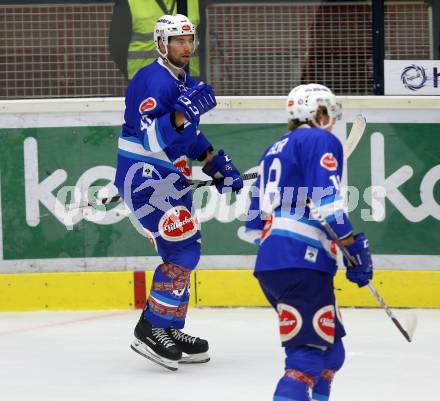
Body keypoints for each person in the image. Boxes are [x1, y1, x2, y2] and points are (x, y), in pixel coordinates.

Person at [114, 14, 243, 371]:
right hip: (145, 181)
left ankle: (169, 324)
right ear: (161, 44)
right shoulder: (151, 81)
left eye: (189, 40)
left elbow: (189, 137)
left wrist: (215, 162)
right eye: (177, 41)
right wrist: (180, 115)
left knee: (188, 249)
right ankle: (152, 328)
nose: (185, 47)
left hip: (172, 180)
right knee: (180, 248)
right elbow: (152, 139)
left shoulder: (184, 80)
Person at [243, 83, 373, 401]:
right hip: (302, 263)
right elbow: (327, 203)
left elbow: (253, 224)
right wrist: (352, 247)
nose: (332, 120)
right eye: (328, 112)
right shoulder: (320, 139)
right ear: (316, 113)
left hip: (275, 263)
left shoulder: (274, 149)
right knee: (306, 359)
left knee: (331, 352)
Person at [109, 0, 200, 80]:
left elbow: (203, 41)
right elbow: (117, 46)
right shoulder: (130, 2)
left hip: (189, 78)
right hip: (144, 80)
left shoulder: (195, 2)